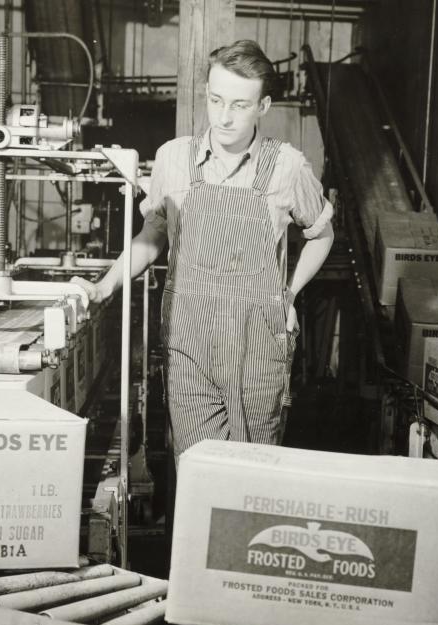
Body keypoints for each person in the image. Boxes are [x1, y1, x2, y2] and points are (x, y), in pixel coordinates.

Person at [73, 39, 334, 457]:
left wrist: (289, 293)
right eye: (216, 100)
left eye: (239, 105)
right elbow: (151, 235)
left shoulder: (287, 166)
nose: (224, 117)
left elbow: (322, 235)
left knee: (253, 471)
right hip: (188, 341)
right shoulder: (173, 159)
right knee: (195, 467)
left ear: (263, 106)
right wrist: (104, 287)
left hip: (258, 344)